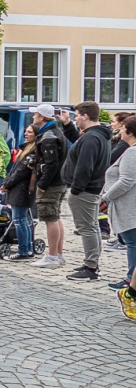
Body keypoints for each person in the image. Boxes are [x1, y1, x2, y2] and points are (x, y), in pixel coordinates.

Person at [58, 101, 111, 281]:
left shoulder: (91, 138)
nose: (76, 119)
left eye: (77, 116)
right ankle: (91, 263)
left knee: (87, 228)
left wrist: (76, 189)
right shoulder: (96, 135)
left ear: (85, 116)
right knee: (92, 227)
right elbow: (78, 142)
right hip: (91, 188)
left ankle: (90, 267)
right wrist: (66, 125)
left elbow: (84, 166)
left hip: (85, 190)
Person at [29, 104, 70, 268]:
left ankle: (52, 256)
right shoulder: (53, 132)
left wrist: (43, 184)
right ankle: (58, 254)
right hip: (59, 181)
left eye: (35, 114)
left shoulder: (48, 136)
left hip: (52, 183)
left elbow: (51, 164)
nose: (33, 117)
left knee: (50, 218)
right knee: (56, 217)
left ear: (42, 117)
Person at [106, 116, 136, 319]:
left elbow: (126, 180)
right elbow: (125, 180)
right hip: (129, 210)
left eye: (123, 128)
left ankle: (130, 291)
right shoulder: (132, 152)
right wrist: (106, 198)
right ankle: (130, 292)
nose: (120, 132)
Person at [1, 124, 40, 262]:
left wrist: (6, 184)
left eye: (29, 132)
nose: (26, 133)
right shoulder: (26, 148)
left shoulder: (32, 150)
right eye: (26, 131)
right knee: (24, 220)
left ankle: (23, 250)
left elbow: (20, 172)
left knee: (19, 220)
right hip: (22, 188)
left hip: (21, 189)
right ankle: (28, 248)